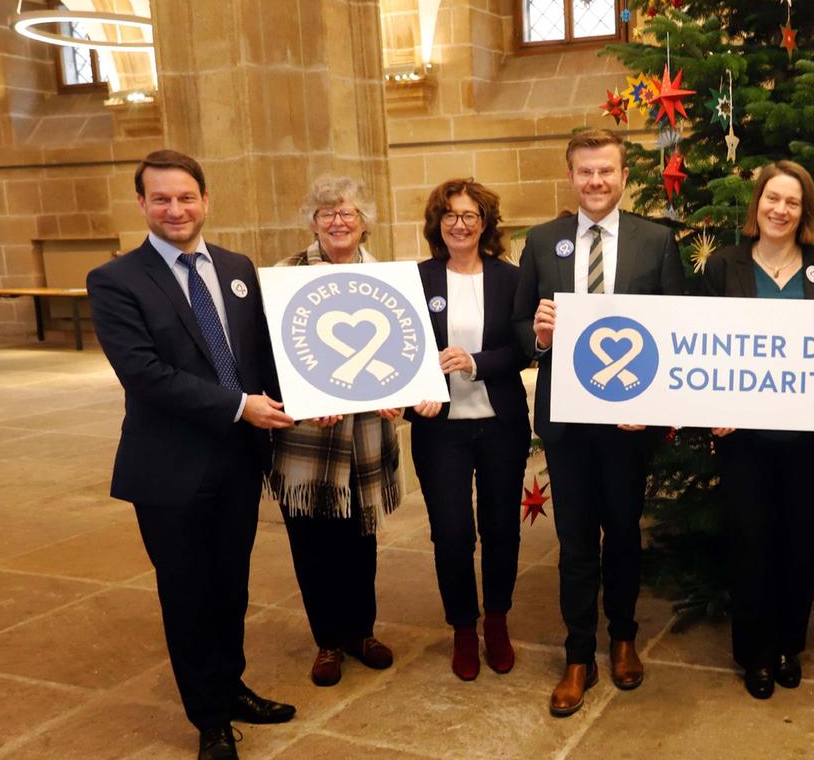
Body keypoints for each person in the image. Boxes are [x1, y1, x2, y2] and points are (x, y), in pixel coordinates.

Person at [87, 150, 297, 760]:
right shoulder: (117, 279)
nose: (175, 209)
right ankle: (208, 720)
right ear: (142, 205)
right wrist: (240, 406)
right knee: (186, 593)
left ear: (205, 200)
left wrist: (310, 396)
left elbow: (258, 356)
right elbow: (145, 375)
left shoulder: (236, 267)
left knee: (232, 586)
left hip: (239, 460)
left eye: (185, 197)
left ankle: (231, 687)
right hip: (170, 469)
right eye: (160, 199)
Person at [513, 128, 686, 717]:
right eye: (585, 172)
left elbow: (675, 332)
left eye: (606, 171)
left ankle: (624, 637)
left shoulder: (655, 241)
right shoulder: (541, 242)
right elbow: (517, 328)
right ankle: (578, 654)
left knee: (624, 536)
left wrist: (655, 405)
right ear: (570, 176)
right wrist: (537, 336)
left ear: (622, 174)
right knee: (575, 542)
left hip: (629, 424)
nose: (595, 182)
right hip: (566, 423)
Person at [701, 160, 814, 700]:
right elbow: (703, 345)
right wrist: (711, 406)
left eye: (791, 202)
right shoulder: (723, 266)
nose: (780, 210)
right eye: (772, 199)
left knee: (799, 544)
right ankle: (755, 653)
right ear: (757, 203)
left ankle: (790, 645)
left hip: (810, 442)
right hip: (745, 442)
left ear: (804, 211)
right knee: (750, 545)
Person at [266, 176, 400, 688]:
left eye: (348, 213)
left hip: (367, 433)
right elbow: (271, 353)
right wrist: (303, 400)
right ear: (313, 222)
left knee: (360, 540)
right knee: (313, 541)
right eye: (327, 213)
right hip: (308, 438)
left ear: (365, 222)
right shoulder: (285, 275)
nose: (338, 221)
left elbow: (400, 348)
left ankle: (360, 632)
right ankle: (327, 640)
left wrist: (400, 393)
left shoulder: (387, 277)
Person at [408, 179, 530, 682]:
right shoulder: (416, 279)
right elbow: (401, 349)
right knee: (452, 534)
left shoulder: (511, 278)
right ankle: (463, 626)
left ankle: (496, 620)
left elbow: (523, 349)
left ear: (485, 224)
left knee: (500, 528)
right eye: (451, 216)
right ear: (438, 224)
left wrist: (475, 362)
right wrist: (414, 388)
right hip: (440, 430)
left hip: (500, 424)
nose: (460, 224)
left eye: (470, 215)